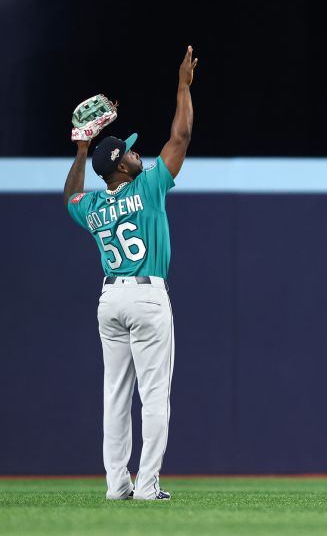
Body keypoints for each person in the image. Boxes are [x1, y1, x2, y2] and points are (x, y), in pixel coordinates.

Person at [64, 46, 198, 501]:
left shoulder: (96, 205)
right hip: (146, 297)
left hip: (109, 301)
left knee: (115, 397)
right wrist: (182, 86)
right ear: (122, 164)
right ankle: (148, 485)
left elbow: (69, 197)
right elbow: (179, 139)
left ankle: (116, 485)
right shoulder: (148, 185)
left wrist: (82, 149)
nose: (140, 153)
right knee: (154, 393)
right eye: (132, 151)